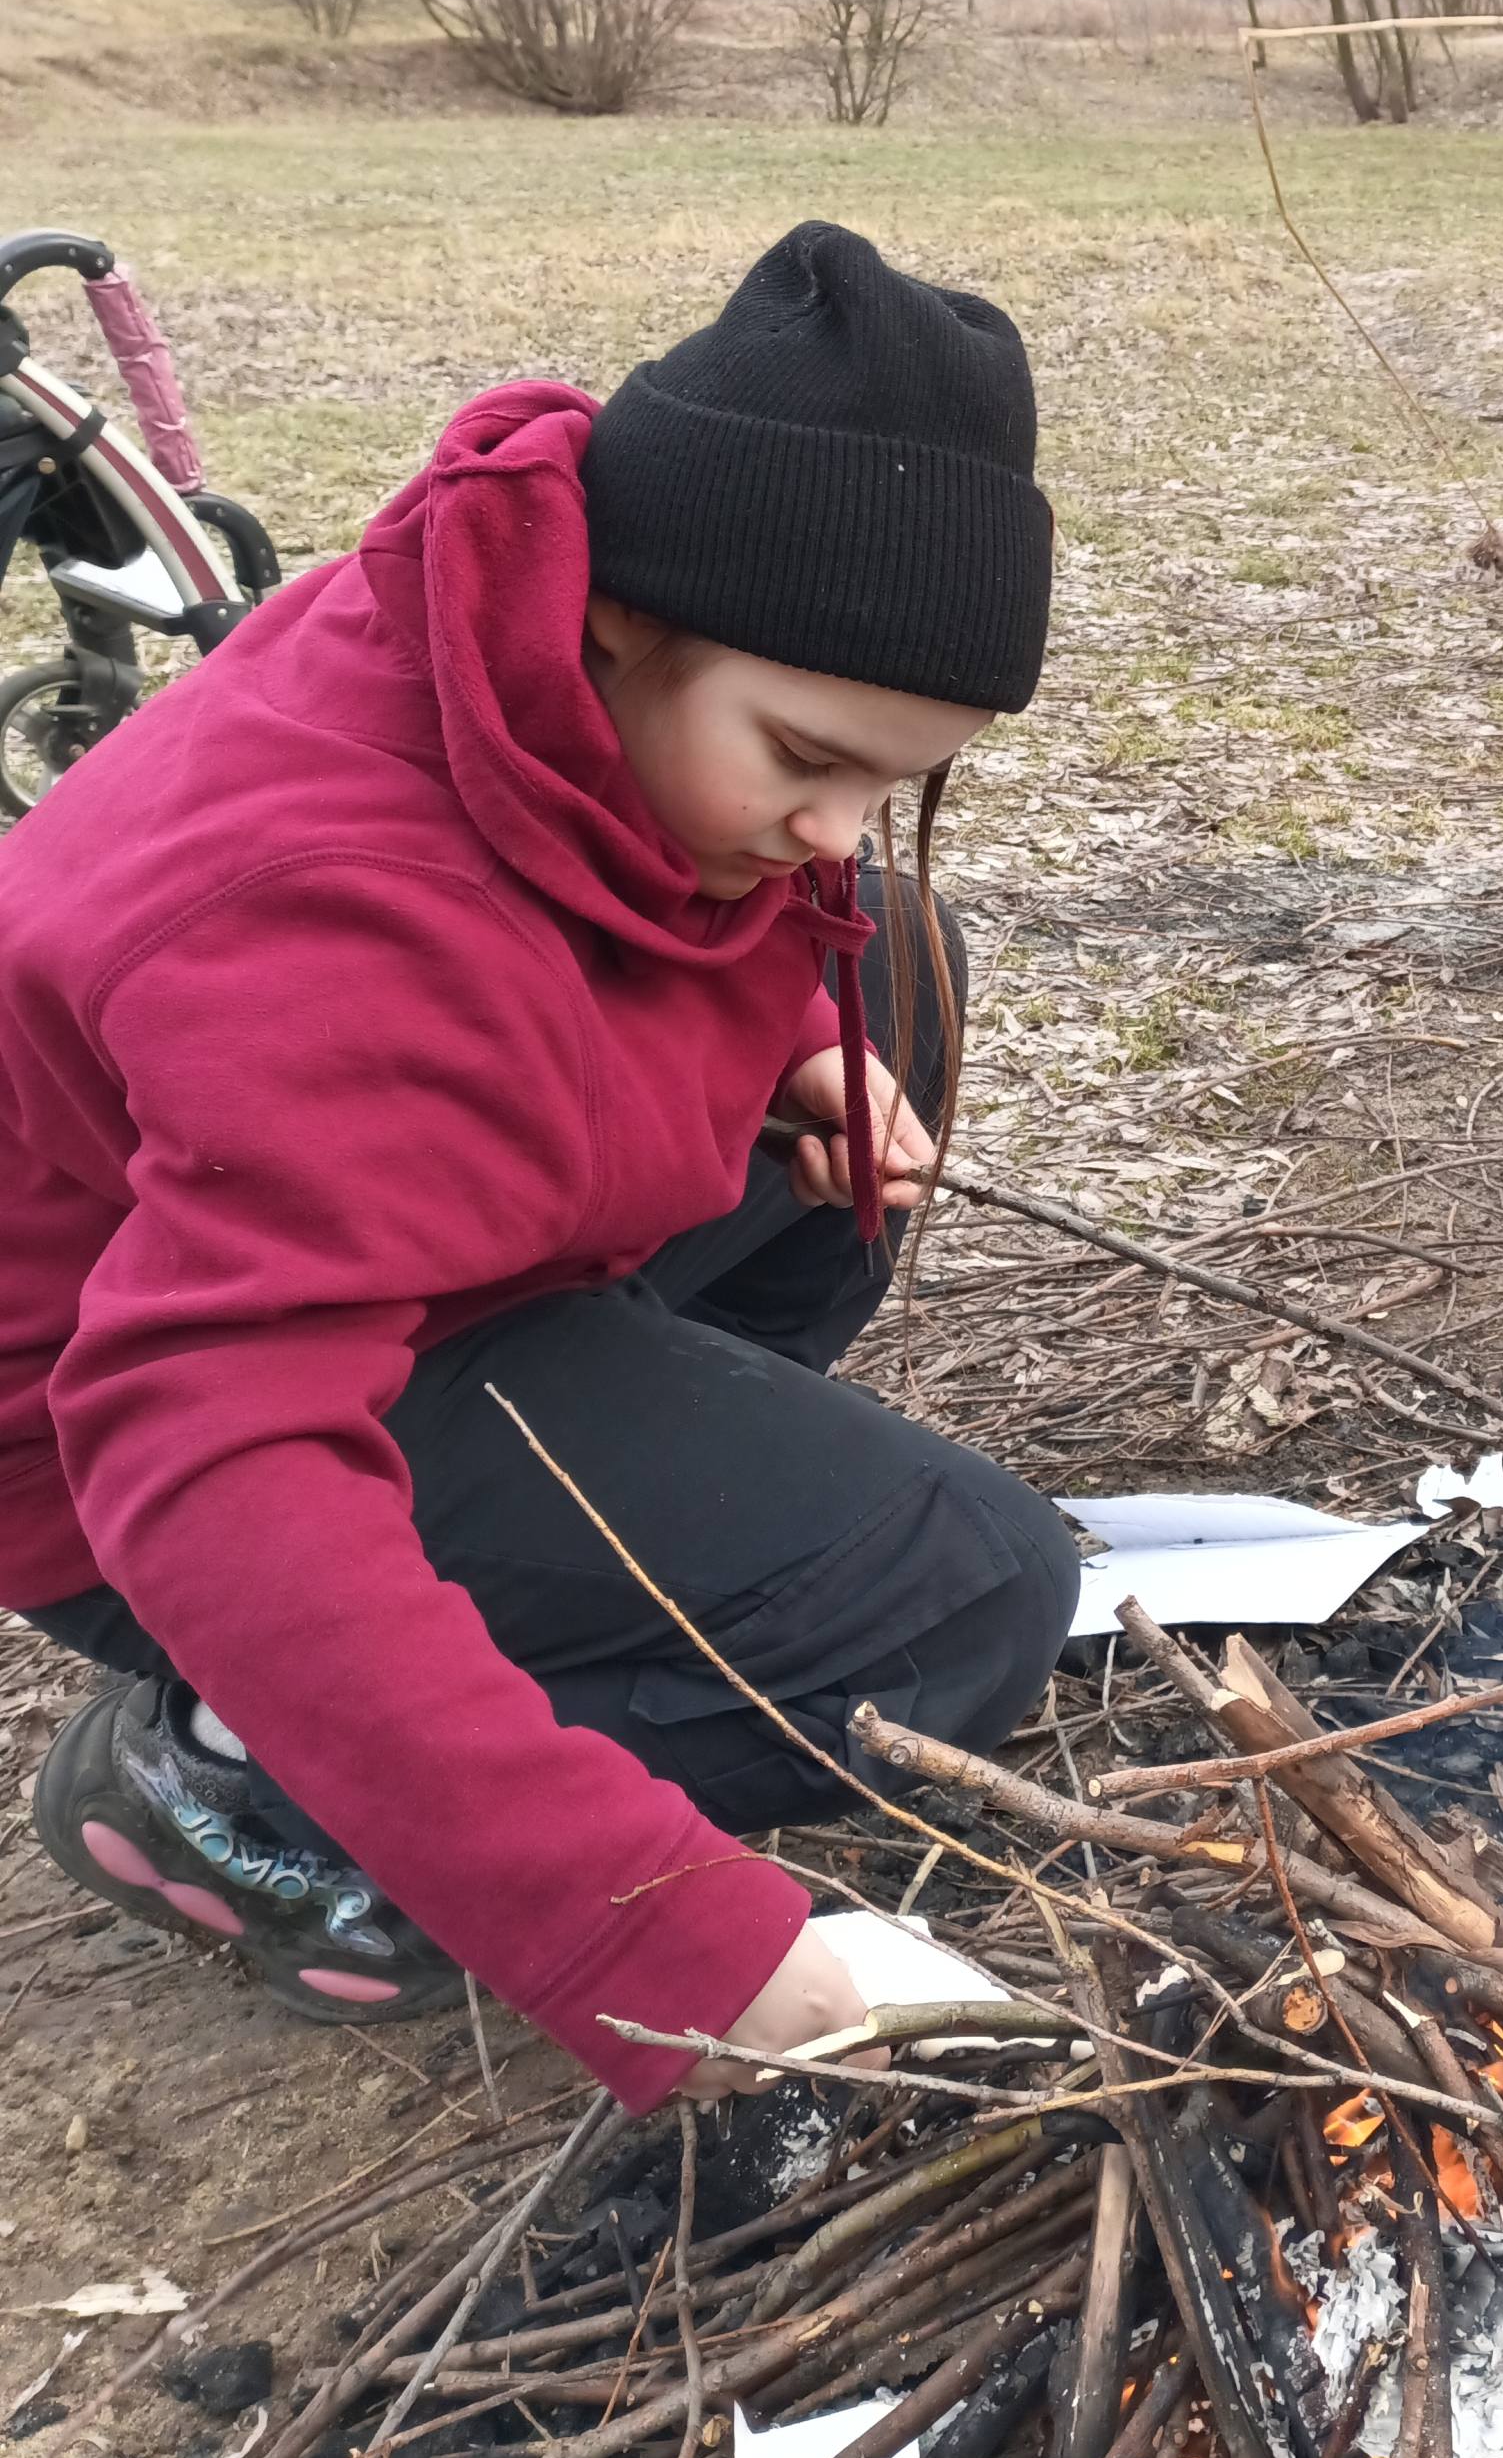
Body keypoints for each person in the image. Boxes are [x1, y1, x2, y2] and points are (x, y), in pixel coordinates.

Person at [0, 222, 1080, 2103]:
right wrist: (672, 1934)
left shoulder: (526, 657)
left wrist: (770, 1079)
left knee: (885, 969)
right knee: (957, 1594)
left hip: (367, 1250)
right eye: (806, 757)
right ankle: (244, 1778)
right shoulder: (331, 918)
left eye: (891, 778)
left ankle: (580, 1548)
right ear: (620, 626)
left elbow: (618, 928)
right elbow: (209, 1450)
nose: (834, 830)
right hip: (103, 1425)